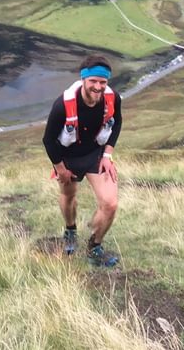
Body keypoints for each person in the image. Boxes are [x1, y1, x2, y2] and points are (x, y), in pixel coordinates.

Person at [42, 54, 122, 267]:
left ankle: (94, 246)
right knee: (69, 196)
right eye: (93, 81)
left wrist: (107, 155)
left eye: (103, 82)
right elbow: (48, 140)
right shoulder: (63, 105)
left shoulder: (113, 98)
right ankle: (70, 229)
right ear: (83, 79)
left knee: (110, 204)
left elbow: (117, 123)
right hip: (68, 157)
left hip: (95, 154)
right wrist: (60, 168)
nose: (98, 86)